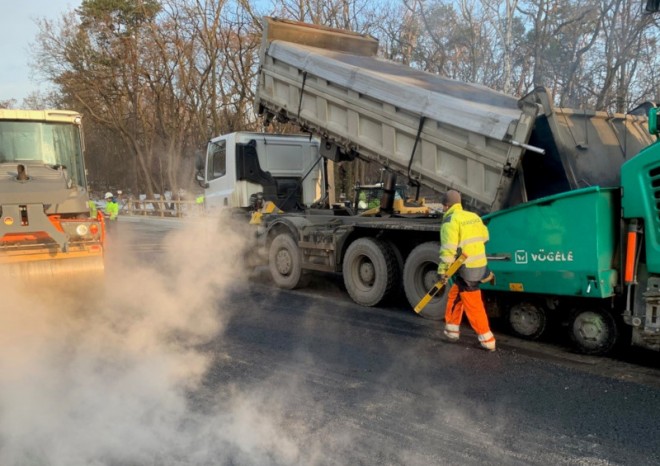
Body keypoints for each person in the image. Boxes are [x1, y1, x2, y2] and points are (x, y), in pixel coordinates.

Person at [437, 190, 496, 352]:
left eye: (443, 205)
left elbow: (448, 250)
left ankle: (487, 339)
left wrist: (443, 271)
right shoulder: (473, 216)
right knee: (455, 294)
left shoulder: (450, 220)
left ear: (446, 205)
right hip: (480, 266)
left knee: (473, 303)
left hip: (467, 269)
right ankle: (452, 330)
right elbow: (485, 237)